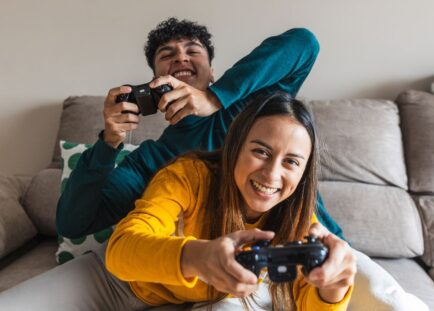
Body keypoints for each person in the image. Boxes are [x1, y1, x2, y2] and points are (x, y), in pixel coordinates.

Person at [55, 17, 346, 241]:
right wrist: (108, 143)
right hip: (226, 271)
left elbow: (304, 43)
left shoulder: (256, 107)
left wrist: (215, 98)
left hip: (320, 244)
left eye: (193, 51)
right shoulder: (151, 160)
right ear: (155, 80)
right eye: (167, 55)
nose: (180, 58)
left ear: (213, 72)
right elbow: (73, 224)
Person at [105, 92, 357, 310]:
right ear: (235, 147)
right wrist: (198, 257)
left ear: (303, 174)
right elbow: (120, 249)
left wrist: (332, 290)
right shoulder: (188, 177)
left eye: (291, 162)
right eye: (261, 152)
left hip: (207, 300)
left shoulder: (298, 219)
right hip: (124, 285)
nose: (271, 174)